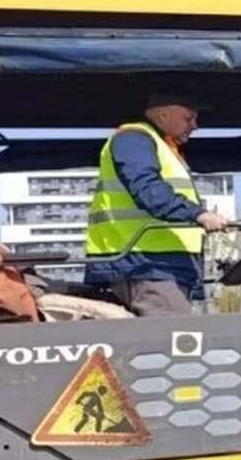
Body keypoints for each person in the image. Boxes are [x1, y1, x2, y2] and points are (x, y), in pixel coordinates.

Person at [84, 91, 230, 316]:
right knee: (173, 341)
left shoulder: (157, 145)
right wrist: (198, 214)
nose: (195, 126)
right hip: (144, 264)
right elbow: (148, 190)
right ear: (163, 115)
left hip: (157, 265)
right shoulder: (134, 139)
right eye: (188, 118)